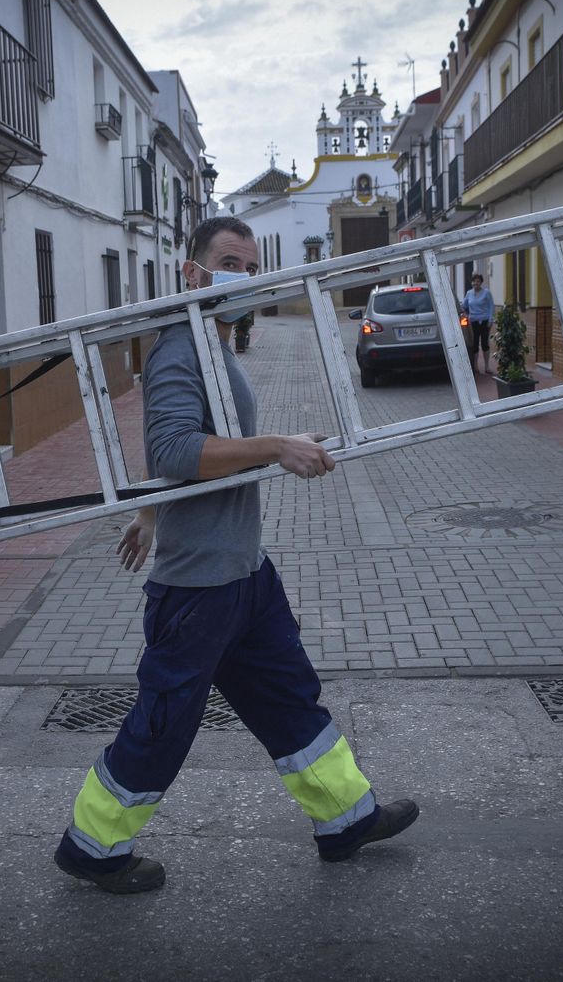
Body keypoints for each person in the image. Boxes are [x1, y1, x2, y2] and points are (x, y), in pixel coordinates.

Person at [54, 216, 419, 894]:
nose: (240, 279)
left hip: (244, 571)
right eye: (227, 263)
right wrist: (275, 446)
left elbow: (187, 452)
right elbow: (171, 449)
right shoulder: (178, 349)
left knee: (288, 697)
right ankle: (92, 845)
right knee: (165, 722)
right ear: (189, 272)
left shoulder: (213, 340)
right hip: (199, 586)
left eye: (250, 268)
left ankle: (345, 816)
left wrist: (149, 510)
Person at [462, 273, 494, 375]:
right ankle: (475, 366)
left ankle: (487, 366)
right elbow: (464, 305)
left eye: (478, 281)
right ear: (472, 282)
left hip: (484, 321)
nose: (476, 283)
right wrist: (466, 314)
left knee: (485, 343)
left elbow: (491, 307)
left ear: (481, 282)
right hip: (473, 322)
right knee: (474, 344)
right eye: (474, 281)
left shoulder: (486, 293)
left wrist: (490, 320)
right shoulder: (469, 293)